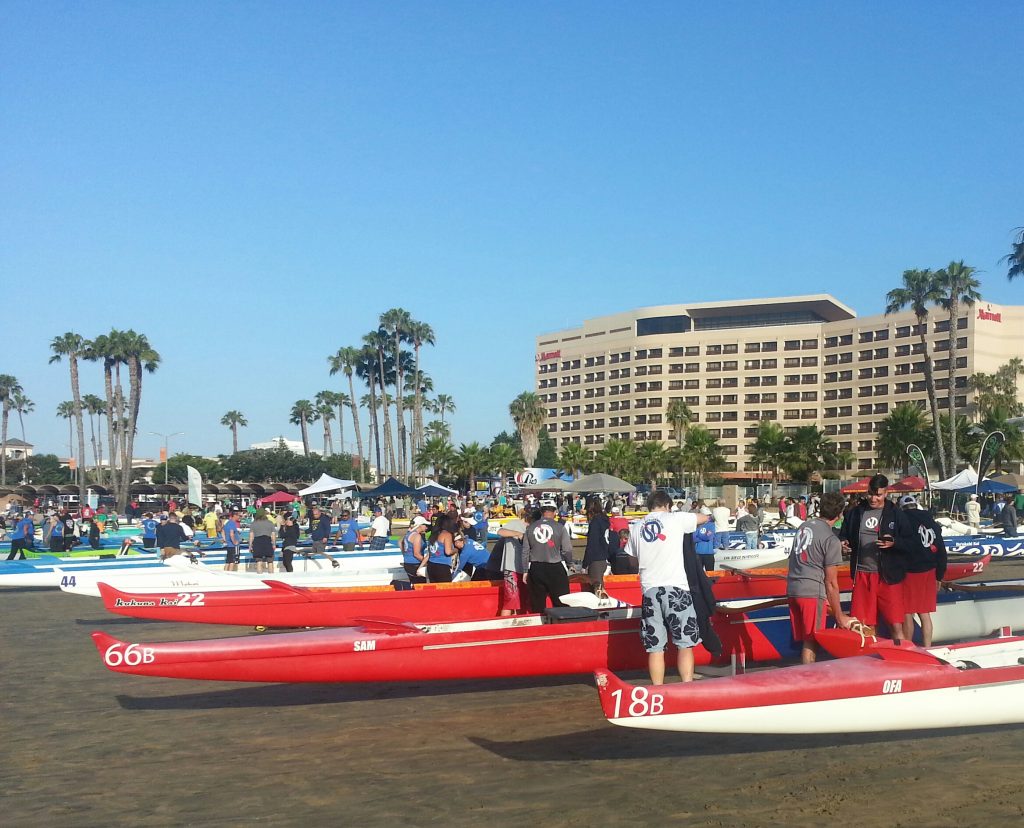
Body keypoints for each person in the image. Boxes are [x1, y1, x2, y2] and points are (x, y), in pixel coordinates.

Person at [626, 490, 709, 684]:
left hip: (650, 590)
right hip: (676, 589)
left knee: (655, 647)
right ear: (667, 505)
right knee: (685, 644)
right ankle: (687, 685)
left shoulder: (637, 527)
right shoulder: (675, 519)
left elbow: (631, 561)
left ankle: (657, 689)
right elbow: (703, 518)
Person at [838, 474, 912, 641]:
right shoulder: (856, 513)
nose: (873, 498)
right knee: (865, 625)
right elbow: (843, 534)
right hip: (863, 575)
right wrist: (843, 542)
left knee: (895, 624)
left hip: (888, 576)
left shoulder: (896, 514)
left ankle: (902, 657)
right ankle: (870, 658)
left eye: (878, 494)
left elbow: (910, 542)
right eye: (870, 493)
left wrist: (894, 543)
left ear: (886, 493)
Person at [787, 492, 853, 663]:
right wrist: (839, 616)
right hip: (811, 591)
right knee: (812, 640)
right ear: (839, 515)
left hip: (793, 588)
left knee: (805, 640)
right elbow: (831, 583)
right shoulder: (830, 539)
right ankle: (809, 681)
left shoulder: (804, 526)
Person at [899, 495, 947, 647]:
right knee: (924, 614)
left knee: (907, 613)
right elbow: (941, 550)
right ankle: (928, 647)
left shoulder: (902, 520)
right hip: (929, 571)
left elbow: (900, 548)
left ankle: (908, 649)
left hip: (910, 572)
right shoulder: (931, 521)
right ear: (916, 505)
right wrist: (939, 576)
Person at [522, 502, 575, 612]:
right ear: (555, 512)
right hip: (555, 567)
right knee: (562, 603)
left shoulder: (530, 528)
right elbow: (567, 550)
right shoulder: (560, 527)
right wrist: (570, 564)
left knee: (537, 605)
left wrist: (525, 571)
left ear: (541, 512)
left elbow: (525, 551)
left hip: (536, 568)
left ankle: (540, 627)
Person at [490, 517, 530, 615]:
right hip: (512, 567)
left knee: (523, 600)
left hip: (525, 568)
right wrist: (519, 534)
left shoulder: (534, 528)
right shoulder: (515, 523)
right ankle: (505, 625)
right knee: (510, 600)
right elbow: (500, 531)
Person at [581, 497, 613, 594]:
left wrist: (584, 564)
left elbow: (592, 544)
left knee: (597, 590)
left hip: (595, 560)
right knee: (600, 588)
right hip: (604, 558)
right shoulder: (604, 520)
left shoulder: (595, 522)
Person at [425, 513, 459, 582]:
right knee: (445, 590)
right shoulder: (446, 534)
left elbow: (430, 552)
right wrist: (456, 550)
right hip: (442, 566)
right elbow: (448, 552)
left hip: (431, 565)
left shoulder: (433, 535)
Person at [400, 515, 430, 581]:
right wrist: (427, 562)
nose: (426, 527)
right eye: (425, 525)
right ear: (420, 525)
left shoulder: (409, 533)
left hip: (407, 562)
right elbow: (416, 554)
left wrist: (405, 554)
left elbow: (400, 542)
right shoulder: (417, 536)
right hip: (415, 564)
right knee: (420, 586)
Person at [249, 509, 277, 574]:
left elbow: (251, 536)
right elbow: (273, 535)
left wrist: (250, 546)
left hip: (257, 542)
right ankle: (271, 577)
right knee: (270, 561)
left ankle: (259, 577)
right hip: (267, 541)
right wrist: (274, 544)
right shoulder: (270, 523)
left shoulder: (253, 524)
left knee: (259, 561)